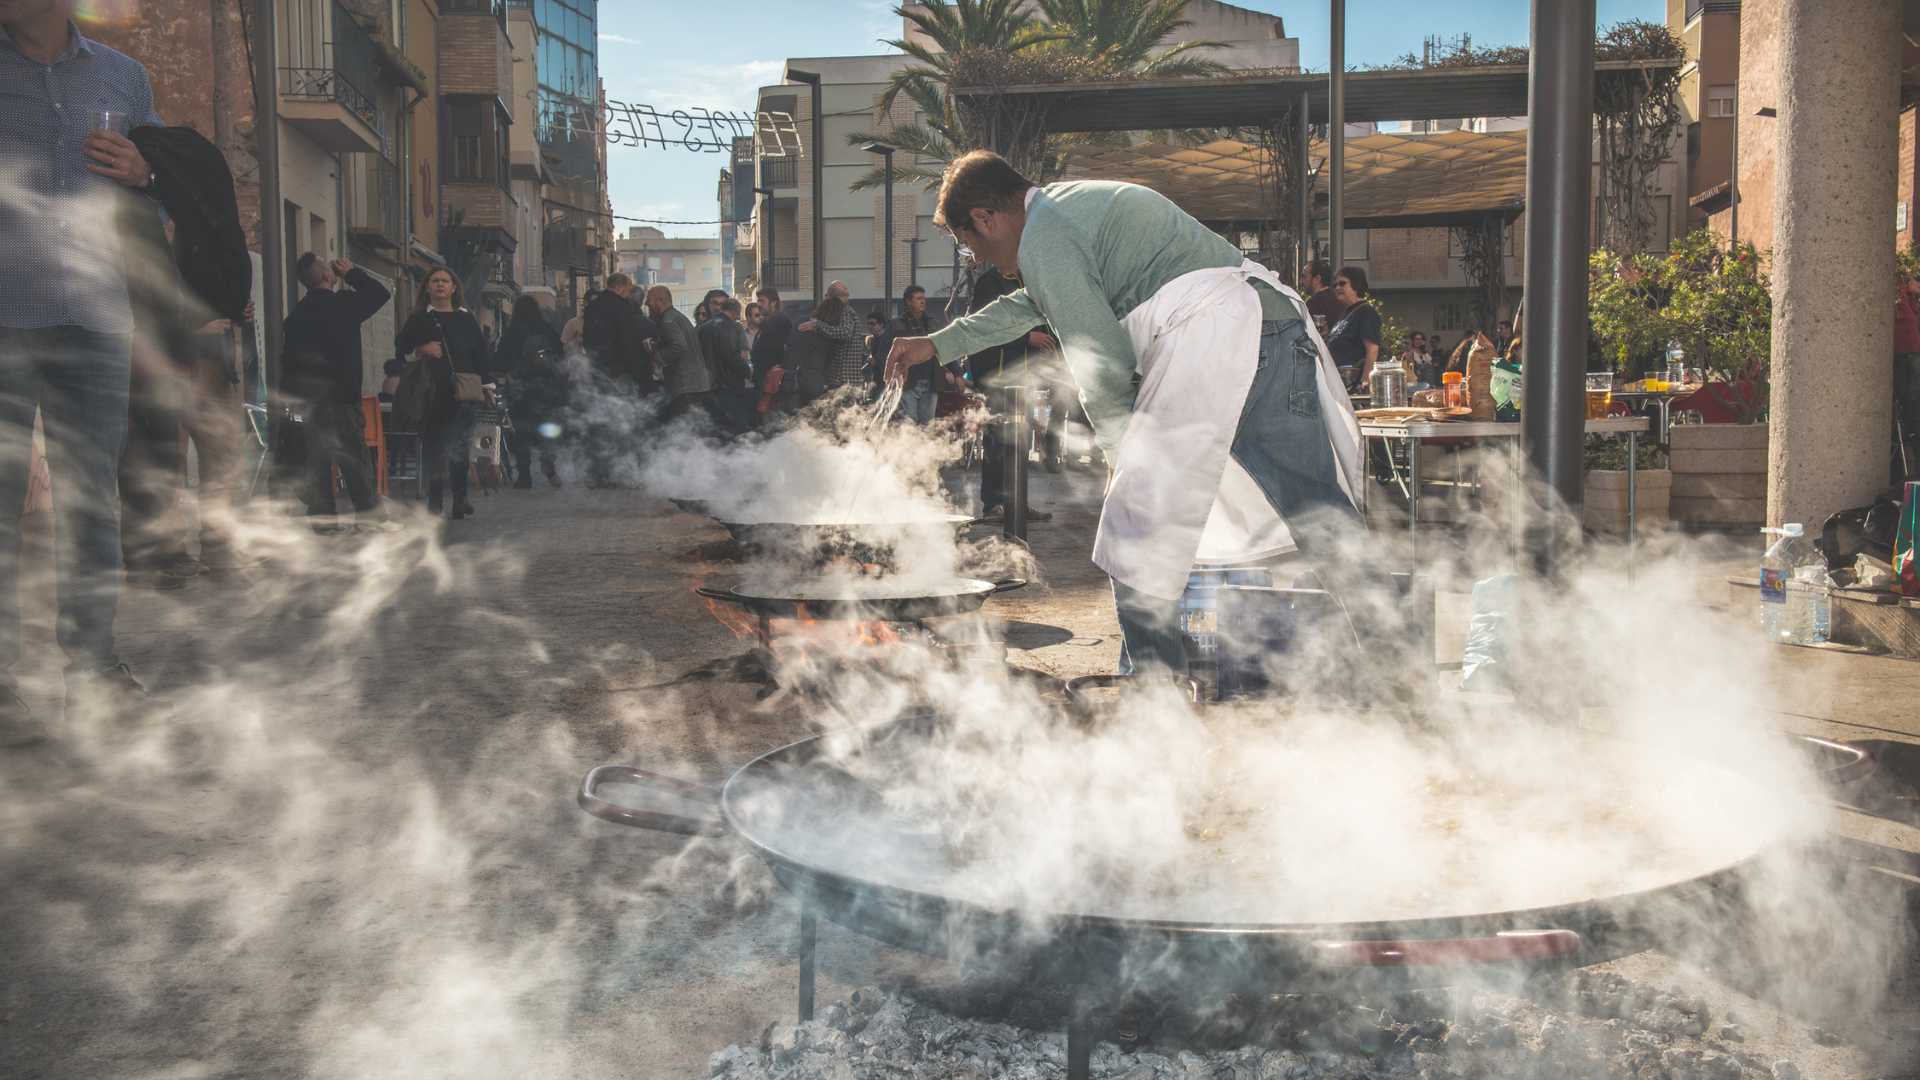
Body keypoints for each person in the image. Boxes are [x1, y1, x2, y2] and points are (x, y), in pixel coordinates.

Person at [885, 152, 1361, 674]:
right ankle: (1400, 665)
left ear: (984, 217)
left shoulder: (1045, 238)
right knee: (1319, 513)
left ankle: (1154, 691)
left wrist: (1119, 449)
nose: (976, 258)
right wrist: (936, 343)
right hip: (1274, 328)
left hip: (1215, 340)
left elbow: (1100, 360)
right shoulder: (1066, 213)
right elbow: (1032, 305)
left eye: (967, 243)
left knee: (1135, 526)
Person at [0, 1, 168, 722]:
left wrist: (145, 173)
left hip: (97, 321)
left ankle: (93, 670)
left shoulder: (124, 78)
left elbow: (167, 202)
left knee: (93, 502)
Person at [282, 253, 391, 527]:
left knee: (317, 461)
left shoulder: (296, 316)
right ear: (328, 276)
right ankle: (367, 515)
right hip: (342, 397)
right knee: (353, 458)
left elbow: (289, 362)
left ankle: (323, 518)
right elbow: (380, 293)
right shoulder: (343, 305)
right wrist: (352, 273)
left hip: (309, 400)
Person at [395, 267, 491, 519]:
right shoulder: (419, 319)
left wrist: (487, 386)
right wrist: (422, 347)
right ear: (427, 287)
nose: (439, 285)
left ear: (453, 288)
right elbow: (400, 348)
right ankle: (434, 502)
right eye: (434, 281)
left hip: (462, 392)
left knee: (459, 448)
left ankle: (460, 500)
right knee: (434, 449)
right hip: (431, 393)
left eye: (444, 281)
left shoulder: (465, 317)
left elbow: (480, 354)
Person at [964, 261, 1057, 522]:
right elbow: (981, 326)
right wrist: (1026, 338)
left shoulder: (1028, 280)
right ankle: (993, 504)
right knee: (997, 442)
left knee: (1020, 442)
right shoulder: (990, 282)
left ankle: (1017, 503)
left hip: (1025, 377)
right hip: (997, 376)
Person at [497, 295, 563, 488]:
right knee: (547, 429)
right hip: (546, 390)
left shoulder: (513, 332)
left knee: (521, 432)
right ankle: (549, 464)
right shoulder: (547, 330)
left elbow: (500, 359)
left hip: (520, 390)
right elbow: (560, 356)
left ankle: (524, 475)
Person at [648, 285, 709, 421]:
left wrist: (656, 355)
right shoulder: (677, 317)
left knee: (684, 428)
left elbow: (679, 346)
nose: (647, 305)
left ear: (660, 300)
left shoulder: (668, 320)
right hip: (694, 384)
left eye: (649, 301)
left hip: (684, 386)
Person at [890, 285, 947, 424]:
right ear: (908, 302)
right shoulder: (896, 325)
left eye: (924, 298)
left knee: (927, 424)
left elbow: (944, 348)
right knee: (909, 423)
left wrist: (956, 373)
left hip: (931, 381)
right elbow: (886, 354)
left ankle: (924, 447)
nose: (923, 301)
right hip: (908, 381)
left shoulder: (933, 324)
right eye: (918, 298)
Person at [799, 281, 866, 390]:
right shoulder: (846, 310)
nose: (845, 287)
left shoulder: (844, 311)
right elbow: (846, 333)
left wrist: (818, 325)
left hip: (843, 375)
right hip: (846, 376)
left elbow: (845, 332)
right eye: (843, 287)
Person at [697, 296, 751, 433]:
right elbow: (733, 358)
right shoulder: (733, 327)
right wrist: (748, 371)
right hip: (730, 387)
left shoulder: (703, 328)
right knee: (735, 429)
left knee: (715, 430)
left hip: (708, 386)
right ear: (736, 313)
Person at [1325, 266, 1381, 392]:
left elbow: (1372, 350)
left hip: (1354, 385)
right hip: (1338, 384)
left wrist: (1365, 382)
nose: (1337, 288)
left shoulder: (1366, 312)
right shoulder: (1345, 313)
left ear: (1356, 284)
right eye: (1335, 285)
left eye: (1342, 283)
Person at [1897, 275, 1920, 479]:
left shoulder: (1911, 302)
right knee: (1911, 393)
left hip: (1914, 352)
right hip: (1906, 353)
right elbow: (1905, 316)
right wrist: (1905, 292)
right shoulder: (1900, 300)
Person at [751, 287, 794, 387]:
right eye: (758, 301)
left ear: (773, 303)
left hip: (773, 381)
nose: (759, 304)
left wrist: (781, 366)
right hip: (763, 378)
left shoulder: (780, 320)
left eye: (762, 301)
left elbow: (788, 347)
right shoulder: (766, 322)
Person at [1302, 259, 1342, 337]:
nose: (1301, 281)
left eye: (1304, 276)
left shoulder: (1313, 303)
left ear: (1317, 279)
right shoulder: (1339, 299)